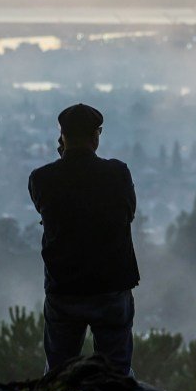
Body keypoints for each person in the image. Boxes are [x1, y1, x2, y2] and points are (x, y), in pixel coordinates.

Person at [28, 103, 139, 376]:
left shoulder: (41, 178)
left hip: (64, 286)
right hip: (111, 285)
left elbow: (48, 210)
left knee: (58, 371)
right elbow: (128, 214)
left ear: (62, 136)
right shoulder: (117, 173)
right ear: (96, 135)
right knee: (117, 370)